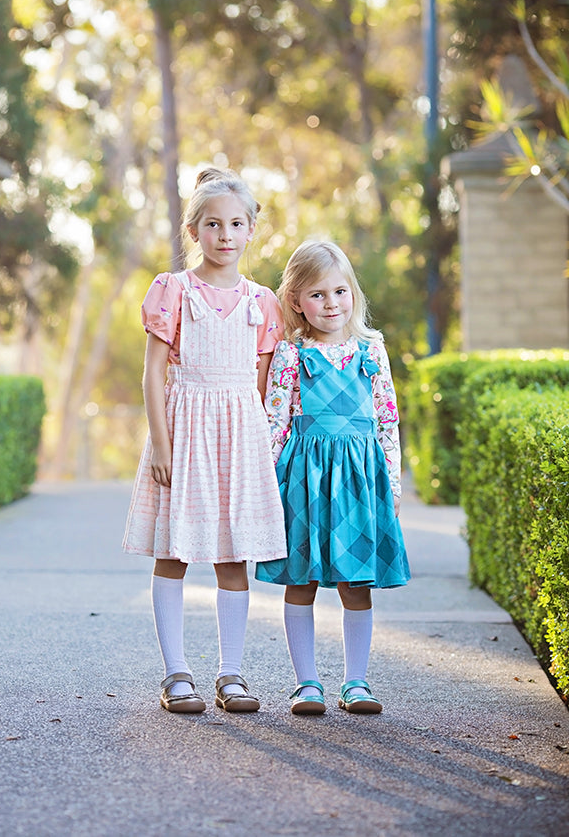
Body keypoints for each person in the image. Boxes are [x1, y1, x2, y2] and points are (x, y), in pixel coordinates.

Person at [123, 167, 286, 714]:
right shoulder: (173, 291)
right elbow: (152, 375)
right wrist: (162, 446)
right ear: (193, 230)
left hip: (238, 438)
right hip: (184, 432)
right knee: (173, 553)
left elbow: (262, 388)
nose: (225, 234)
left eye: (236, 223)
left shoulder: (262, 303)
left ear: (250, 231)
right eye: (213, 224)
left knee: (233, 558)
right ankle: (176, 674)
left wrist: (261, 450)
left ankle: (231, 674)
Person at [256, 240, 410, 716]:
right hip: (303, 479)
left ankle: (356, 682)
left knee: (355, 583)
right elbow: (274, 421)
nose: (331, 304)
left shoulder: (371, 350)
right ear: (297, 301)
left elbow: (387, 420)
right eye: (317, 294)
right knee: (299, 580)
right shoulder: (289, 355)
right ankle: (306, 683)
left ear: (353, 294)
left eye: (339, 291)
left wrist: (393, 482)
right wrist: (265, 487)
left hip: (361, 479)